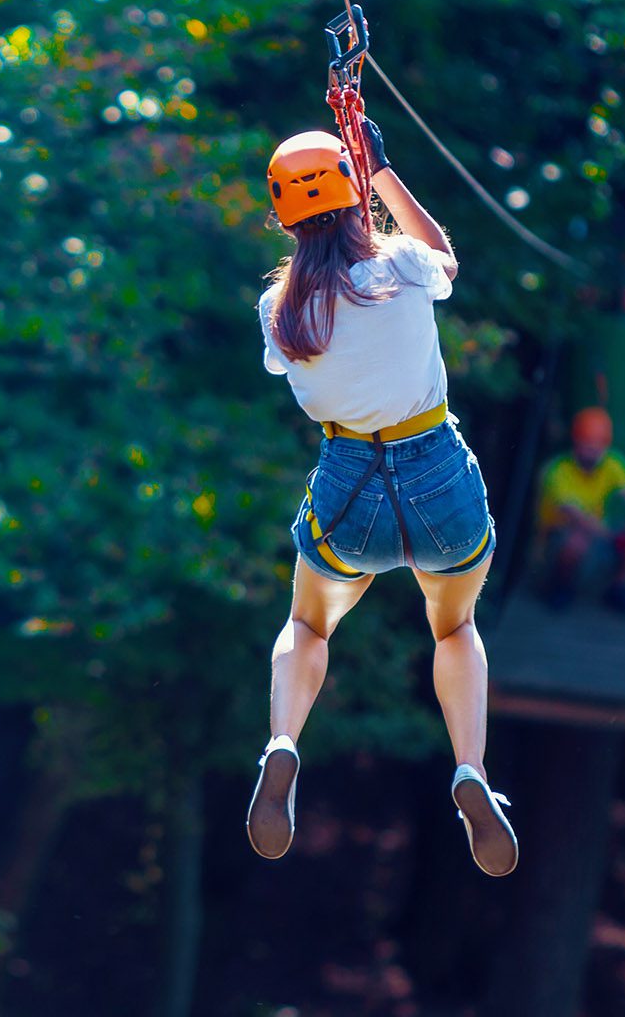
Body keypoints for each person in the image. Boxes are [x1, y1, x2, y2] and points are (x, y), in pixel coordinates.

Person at [245, 120, 517, 878]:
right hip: (439, 479)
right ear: (352, 189)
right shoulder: (399, 264)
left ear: (282, 214)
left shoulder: (279, 310)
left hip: (348, 488)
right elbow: (446, 260)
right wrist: (383, 173)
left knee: (308, 621)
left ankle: (283, 743)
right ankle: (470, 769)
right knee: (455, 627)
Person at [536, 406, 625, 614]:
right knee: (576, 540)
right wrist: (613, 537)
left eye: (597, 447)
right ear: (576, 443)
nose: (591, 452)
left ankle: (619, 586)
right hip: (558, 542)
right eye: (586, 446)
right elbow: (576, 517)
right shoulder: (559, 471)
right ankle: (560, 587)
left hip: (598, 537)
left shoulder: (613, 463)